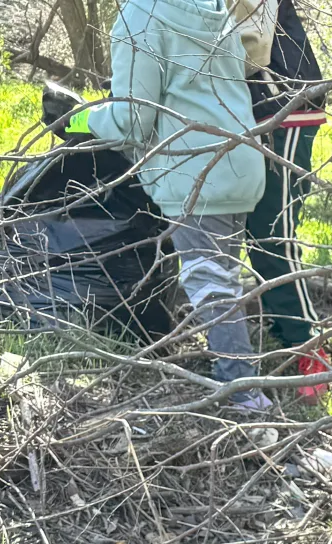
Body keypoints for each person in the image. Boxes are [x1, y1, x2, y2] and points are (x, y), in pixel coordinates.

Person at [45, 0, 271, 412]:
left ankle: (243, 394)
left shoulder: (141, 15)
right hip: (238, 158)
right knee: (221, 274)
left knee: (210, 283)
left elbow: (133, 121)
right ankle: (237, 378)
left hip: (196, 169)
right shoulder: (211, 8)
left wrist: (78, 120)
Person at [245, 0, 331, 400]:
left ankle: (309, 348)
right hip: (256, 107)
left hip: (282, 100)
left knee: (271, 232)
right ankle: (283, 329)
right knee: (256, 229)